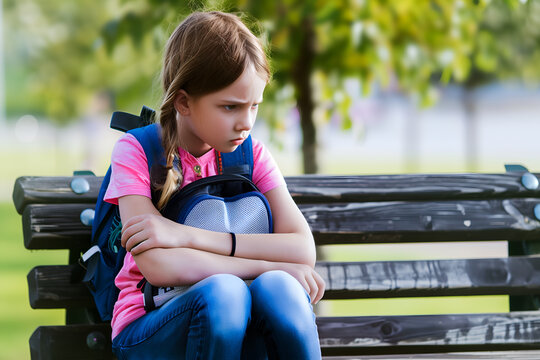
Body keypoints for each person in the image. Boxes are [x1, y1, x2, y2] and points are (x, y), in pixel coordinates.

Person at [106, 11, 325, 359]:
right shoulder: (137, 152)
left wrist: (185, 236)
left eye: (254, 106)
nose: (246, 123)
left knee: (282, 288)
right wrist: (270, 263)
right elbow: (159, 266)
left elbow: (302, 250)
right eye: (230, 107)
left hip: (239, 326)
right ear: (183, 102)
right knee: (227, 292)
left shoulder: (252, 155)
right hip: (152, 326)